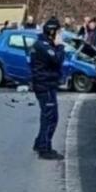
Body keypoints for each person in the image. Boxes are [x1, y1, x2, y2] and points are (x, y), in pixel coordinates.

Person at [29, 17, 65, 160]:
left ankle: (39, 142)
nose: (59, 34)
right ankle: (45, 149)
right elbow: (57, 59)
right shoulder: (42, 46)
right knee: (51, 118)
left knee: (45, 116)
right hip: (45, 86)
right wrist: (60, 46)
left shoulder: (43, 44)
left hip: (45, 84)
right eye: (58, 31)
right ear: (52, 32)